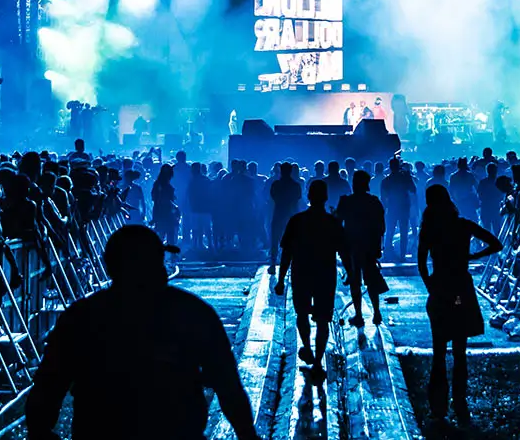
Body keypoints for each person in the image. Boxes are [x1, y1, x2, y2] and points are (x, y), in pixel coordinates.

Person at [26, 225, 260, 440]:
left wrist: (39, 430)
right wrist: (247, 434)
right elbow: (228, 385)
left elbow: (49, 384)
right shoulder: (192, 312)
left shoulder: (82, 316)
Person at [417, 183, 502, 423]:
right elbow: (496, 243)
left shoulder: (430, 229)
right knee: (459, 348)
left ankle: (438, 404)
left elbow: (421, 262)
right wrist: (472, 256)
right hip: (459, 288)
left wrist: (429, 285)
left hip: (440, 286)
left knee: (439, 348)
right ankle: (460, 400)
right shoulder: (463, 225)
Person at [275, 179, 345, 370]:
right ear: (326, 197)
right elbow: (343, 249)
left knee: (302, 313)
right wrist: (350, 272)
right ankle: (318, 360)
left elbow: (286, 252)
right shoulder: (331, 222)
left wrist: (281, 279)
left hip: (301, 273)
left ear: (308, 196)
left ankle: (306, 347)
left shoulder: (296, 221)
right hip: (325, 274)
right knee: (323, 319)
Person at [336, 169, 387, 327]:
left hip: (351, 246)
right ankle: (376, 312)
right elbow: (381, 227)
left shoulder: (346, 201)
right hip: (369, 245)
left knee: (354, 281)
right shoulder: (374, 202)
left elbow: (338, 222)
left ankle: (359, 314)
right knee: (371, 280)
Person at [267, 163, 302, 273]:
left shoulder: (276, 184)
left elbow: (272, 196)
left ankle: (273, 264)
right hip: (292, 215)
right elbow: (298, 198)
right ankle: (293, 264)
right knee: (292, 240)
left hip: (279, 213)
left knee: (275, 239)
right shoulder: (295, 185)